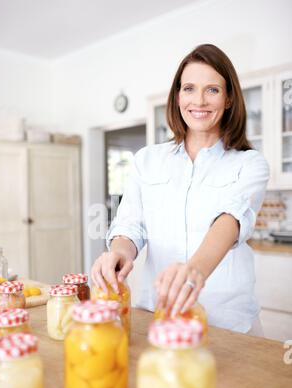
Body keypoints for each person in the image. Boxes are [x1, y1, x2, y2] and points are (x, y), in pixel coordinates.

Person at [91, 44, 269, 334]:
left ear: (228, 98)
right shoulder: (147, 161)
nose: (199, 100)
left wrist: (193, 271)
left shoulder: (250, 164)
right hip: (159, 316)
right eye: (189, 88)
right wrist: (120, 253)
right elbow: (130, 225)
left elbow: (230, 220)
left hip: (226, 324)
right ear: (177, 96)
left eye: (212, 89)